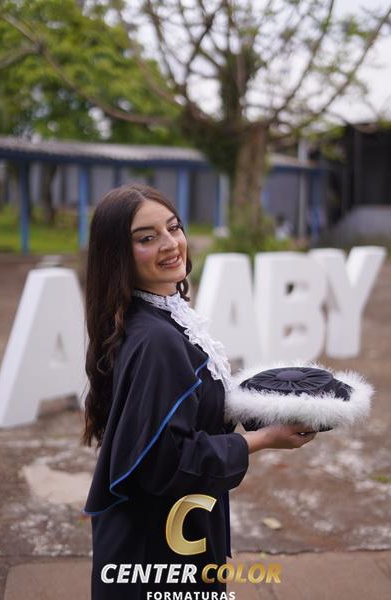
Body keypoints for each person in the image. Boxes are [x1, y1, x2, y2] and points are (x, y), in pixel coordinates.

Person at [82, 183, 316, 599]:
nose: (170, 244)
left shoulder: (153, 315)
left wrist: (264, 404)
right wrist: (262, 440)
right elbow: (165, 461)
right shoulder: (157, 341)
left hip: (169, 527)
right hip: (158, 548)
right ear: (117, 255)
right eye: (147, 238)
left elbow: (187, 404)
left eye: (173, 228)